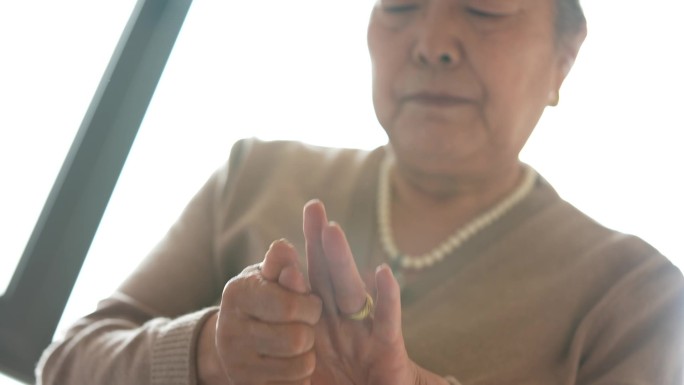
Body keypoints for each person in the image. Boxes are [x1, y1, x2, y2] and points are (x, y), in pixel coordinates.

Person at [36, 0, 684, 384]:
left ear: (564, 56)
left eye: (485, 8)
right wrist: (210, 351)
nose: (431, 44)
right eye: (400, 4)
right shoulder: (254, 176)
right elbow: (64, 363)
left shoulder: (632, 293)